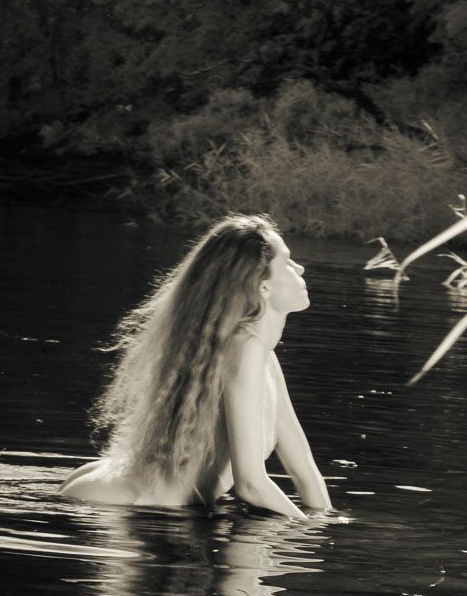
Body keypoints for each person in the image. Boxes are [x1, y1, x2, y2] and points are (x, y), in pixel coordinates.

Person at [60, 214, 332, 518]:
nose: (300, 269)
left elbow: (305, 473)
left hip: (122, 490)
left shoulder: (263, 357)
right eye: (287, 263)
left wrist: (324, 525)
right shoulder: (247, 349)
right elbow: (251, 485)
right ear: (262, 287)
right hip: (127, 502)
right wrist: (307, 534)